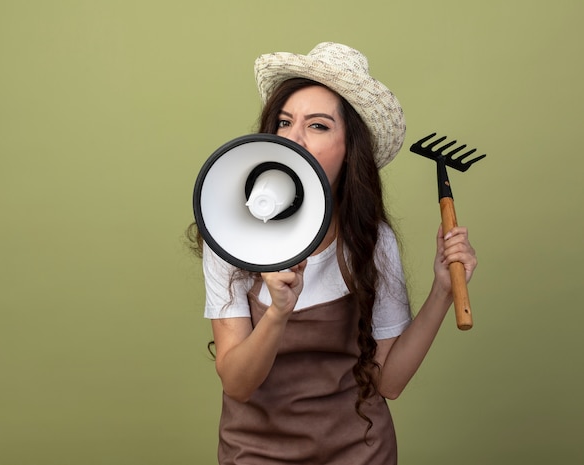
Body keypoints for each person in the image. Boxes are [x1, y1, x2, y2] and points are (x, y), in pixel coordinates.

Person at [192, 42, 478, 465]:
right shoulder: (230, 235)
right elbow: (237, 384)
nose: (294, 138)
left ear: (350, 150)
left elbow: (389, 383)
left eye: (319, 126)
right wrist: (278, 312)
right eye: (285, 121)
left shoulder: (371, 241)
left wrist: (441, 291)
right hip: (254, 451)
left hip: (358, 449)